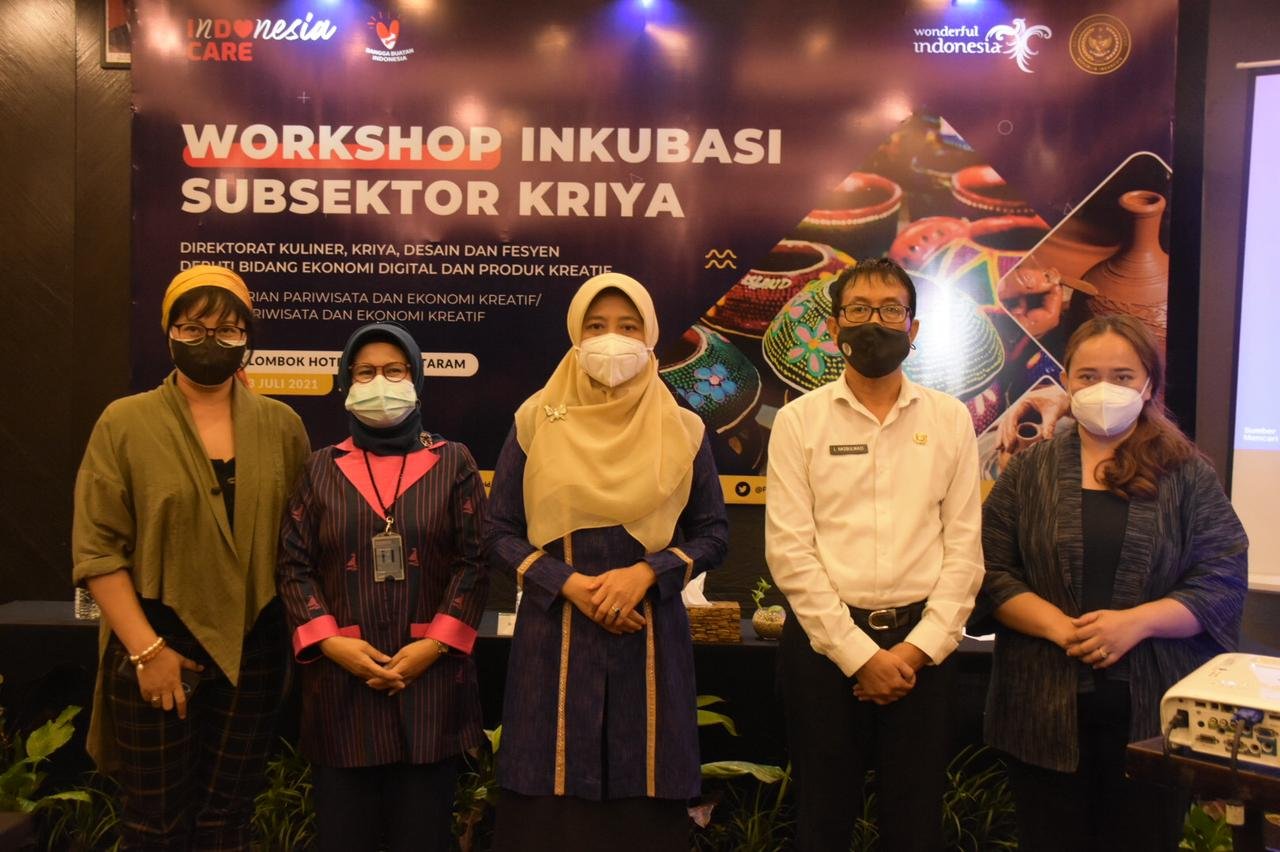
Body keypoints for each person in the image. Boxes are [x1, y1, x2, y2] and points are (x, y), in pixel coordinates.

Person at [975, 314, 1248, 852]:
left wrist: (1137, 623)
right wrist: (1060, 628)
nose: (1105, 388)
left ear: (1148, 385)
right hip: (1040, 713)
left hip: (1152, 722)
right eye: (1088, 375)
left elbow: (1222, 576)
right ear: (1066, 381)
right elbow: (989, 571)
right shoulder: (1028, 470)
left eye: (1122, 376)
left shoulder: (1186, 474)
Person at [484, 273, 728, 852]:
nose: (611, 340)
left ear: (651, 337)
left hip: (649, 637)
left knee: (643, 789)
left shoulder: (684, 428)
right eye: (596, 326)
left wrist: (646, 574)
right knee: (548, 798)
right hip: (555, 637)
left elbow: (714, 534)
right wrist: (568, 583)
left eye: (628, 326)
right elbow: (497, 531)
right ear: (575, 334)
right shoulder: (535, 419)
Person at [72, 265, 311, 850]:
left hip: (254, 645)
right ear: (169, 331)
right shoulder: (124, 422)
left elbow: (302, 541)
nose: (210, 341)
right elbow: (98, 549)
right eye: (193, 327)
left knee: (228, 819)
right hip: (156, 639)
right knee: (155, 822)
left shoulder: (282, 426)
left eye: (227, 330)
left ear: (247, 337)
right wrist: (147, 652)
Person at [765, 257, 984, 852]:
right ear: (834, 327)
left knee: (915, 826)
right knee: (822, 822)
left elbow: (965, 549)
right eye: (858, 310)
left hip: (923, 653)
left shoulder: (949, 419)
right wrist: (859, 656)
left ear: (914, 328)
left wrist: (917, 650)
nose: (874, 323)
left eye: (891, 310)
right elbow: (790, 551)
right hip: (823, 653)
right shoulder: (798, 421)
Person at [276, 322, 489, 852]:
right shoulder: (320, 468)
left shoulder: (454, 461)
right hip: (341, 691)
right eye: (366, 371)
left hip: (431, 689)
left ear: (416, 379)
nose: (380, 383)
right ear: (346, 382)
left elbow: (475, 562)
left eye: (394, 371)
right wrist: (331, 642)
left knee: (423, 836)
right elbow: (293, 565)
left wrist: (433, 646)